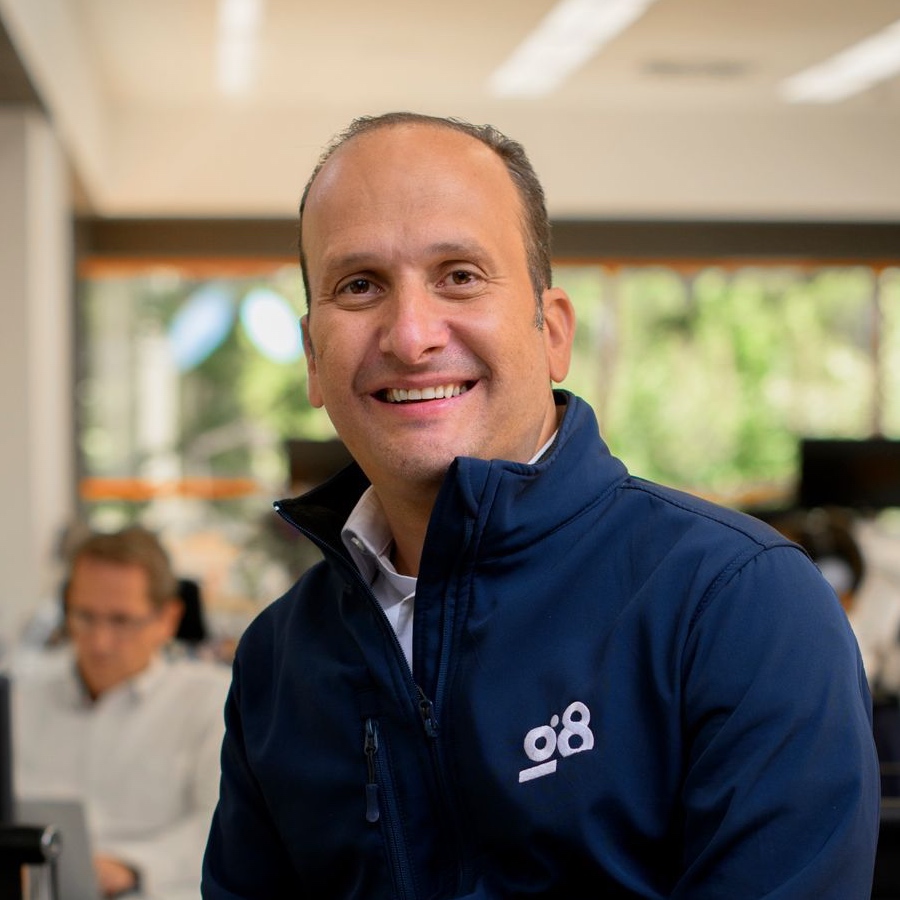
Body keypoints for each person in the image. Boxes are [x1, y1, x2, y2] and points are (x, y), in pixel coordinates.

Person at [202, 112, 880, 898]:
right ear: (313, 360)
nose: (411, 336)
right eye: (360, 286)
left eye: (459, 275)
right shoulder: (278, 662)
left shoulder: (738, 604)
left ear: (552, 331)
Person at [13, 526, 230, 900]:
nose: (99, 643)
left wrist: (127, 867)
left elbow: (225, 826)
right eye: (84, 616)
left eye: (121, 621)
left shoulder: (213, 700)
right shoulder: (20, 696)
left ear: (168, 618)